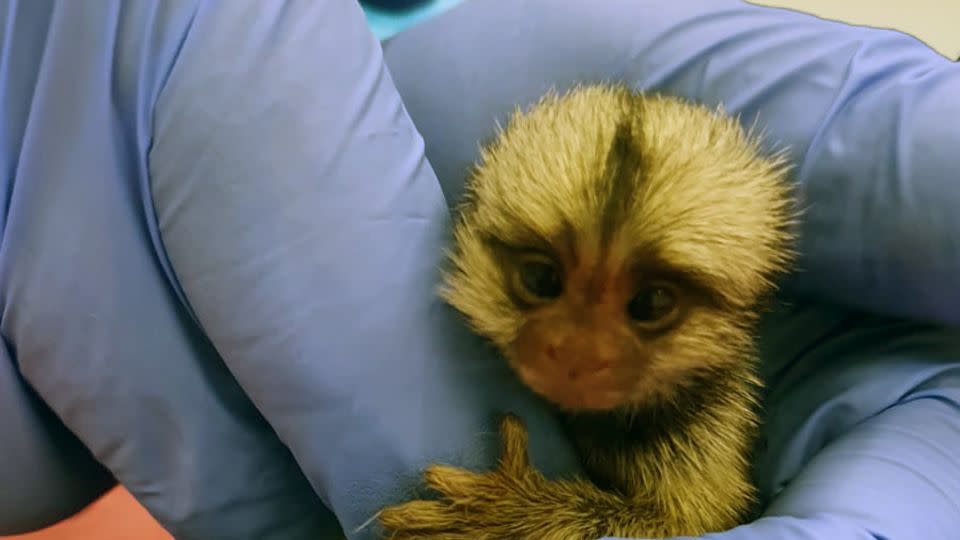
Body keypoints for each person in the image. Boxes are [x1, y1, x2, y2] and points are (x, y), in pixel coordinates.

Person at [1, 0, 957, 539]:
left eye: (652, 304)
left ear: (743, 305)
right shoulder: (365, 185)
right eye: (542, 278)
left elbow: (680, 517)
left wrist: (547, 515)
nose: (581, 349)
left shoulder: (704, 421)